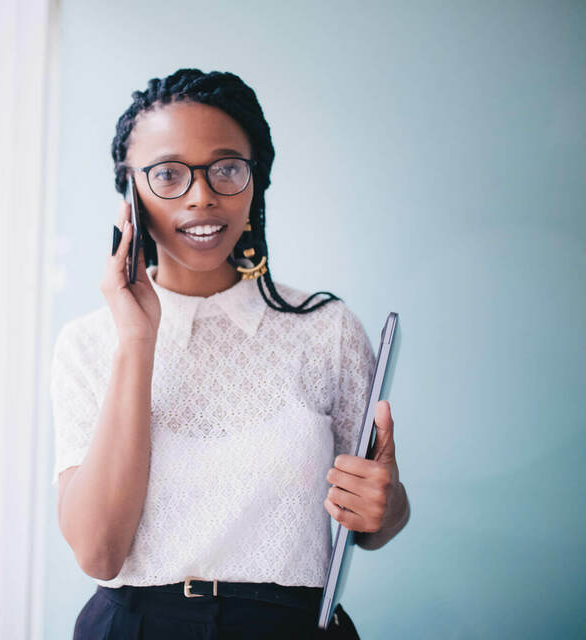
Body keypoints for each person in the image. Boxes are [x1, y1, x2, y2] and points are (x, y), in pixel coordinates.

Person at [50, 68, 411, 639]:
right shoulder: (89, 343)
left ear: (255, 180)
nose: (202, 196)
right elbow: (99, 553)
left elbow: (373, 518)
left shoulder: (327, 330)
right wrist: (138, 341)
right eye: (168, 174)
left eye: (226, 169)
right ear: (130, 190)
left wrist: (385, 507)